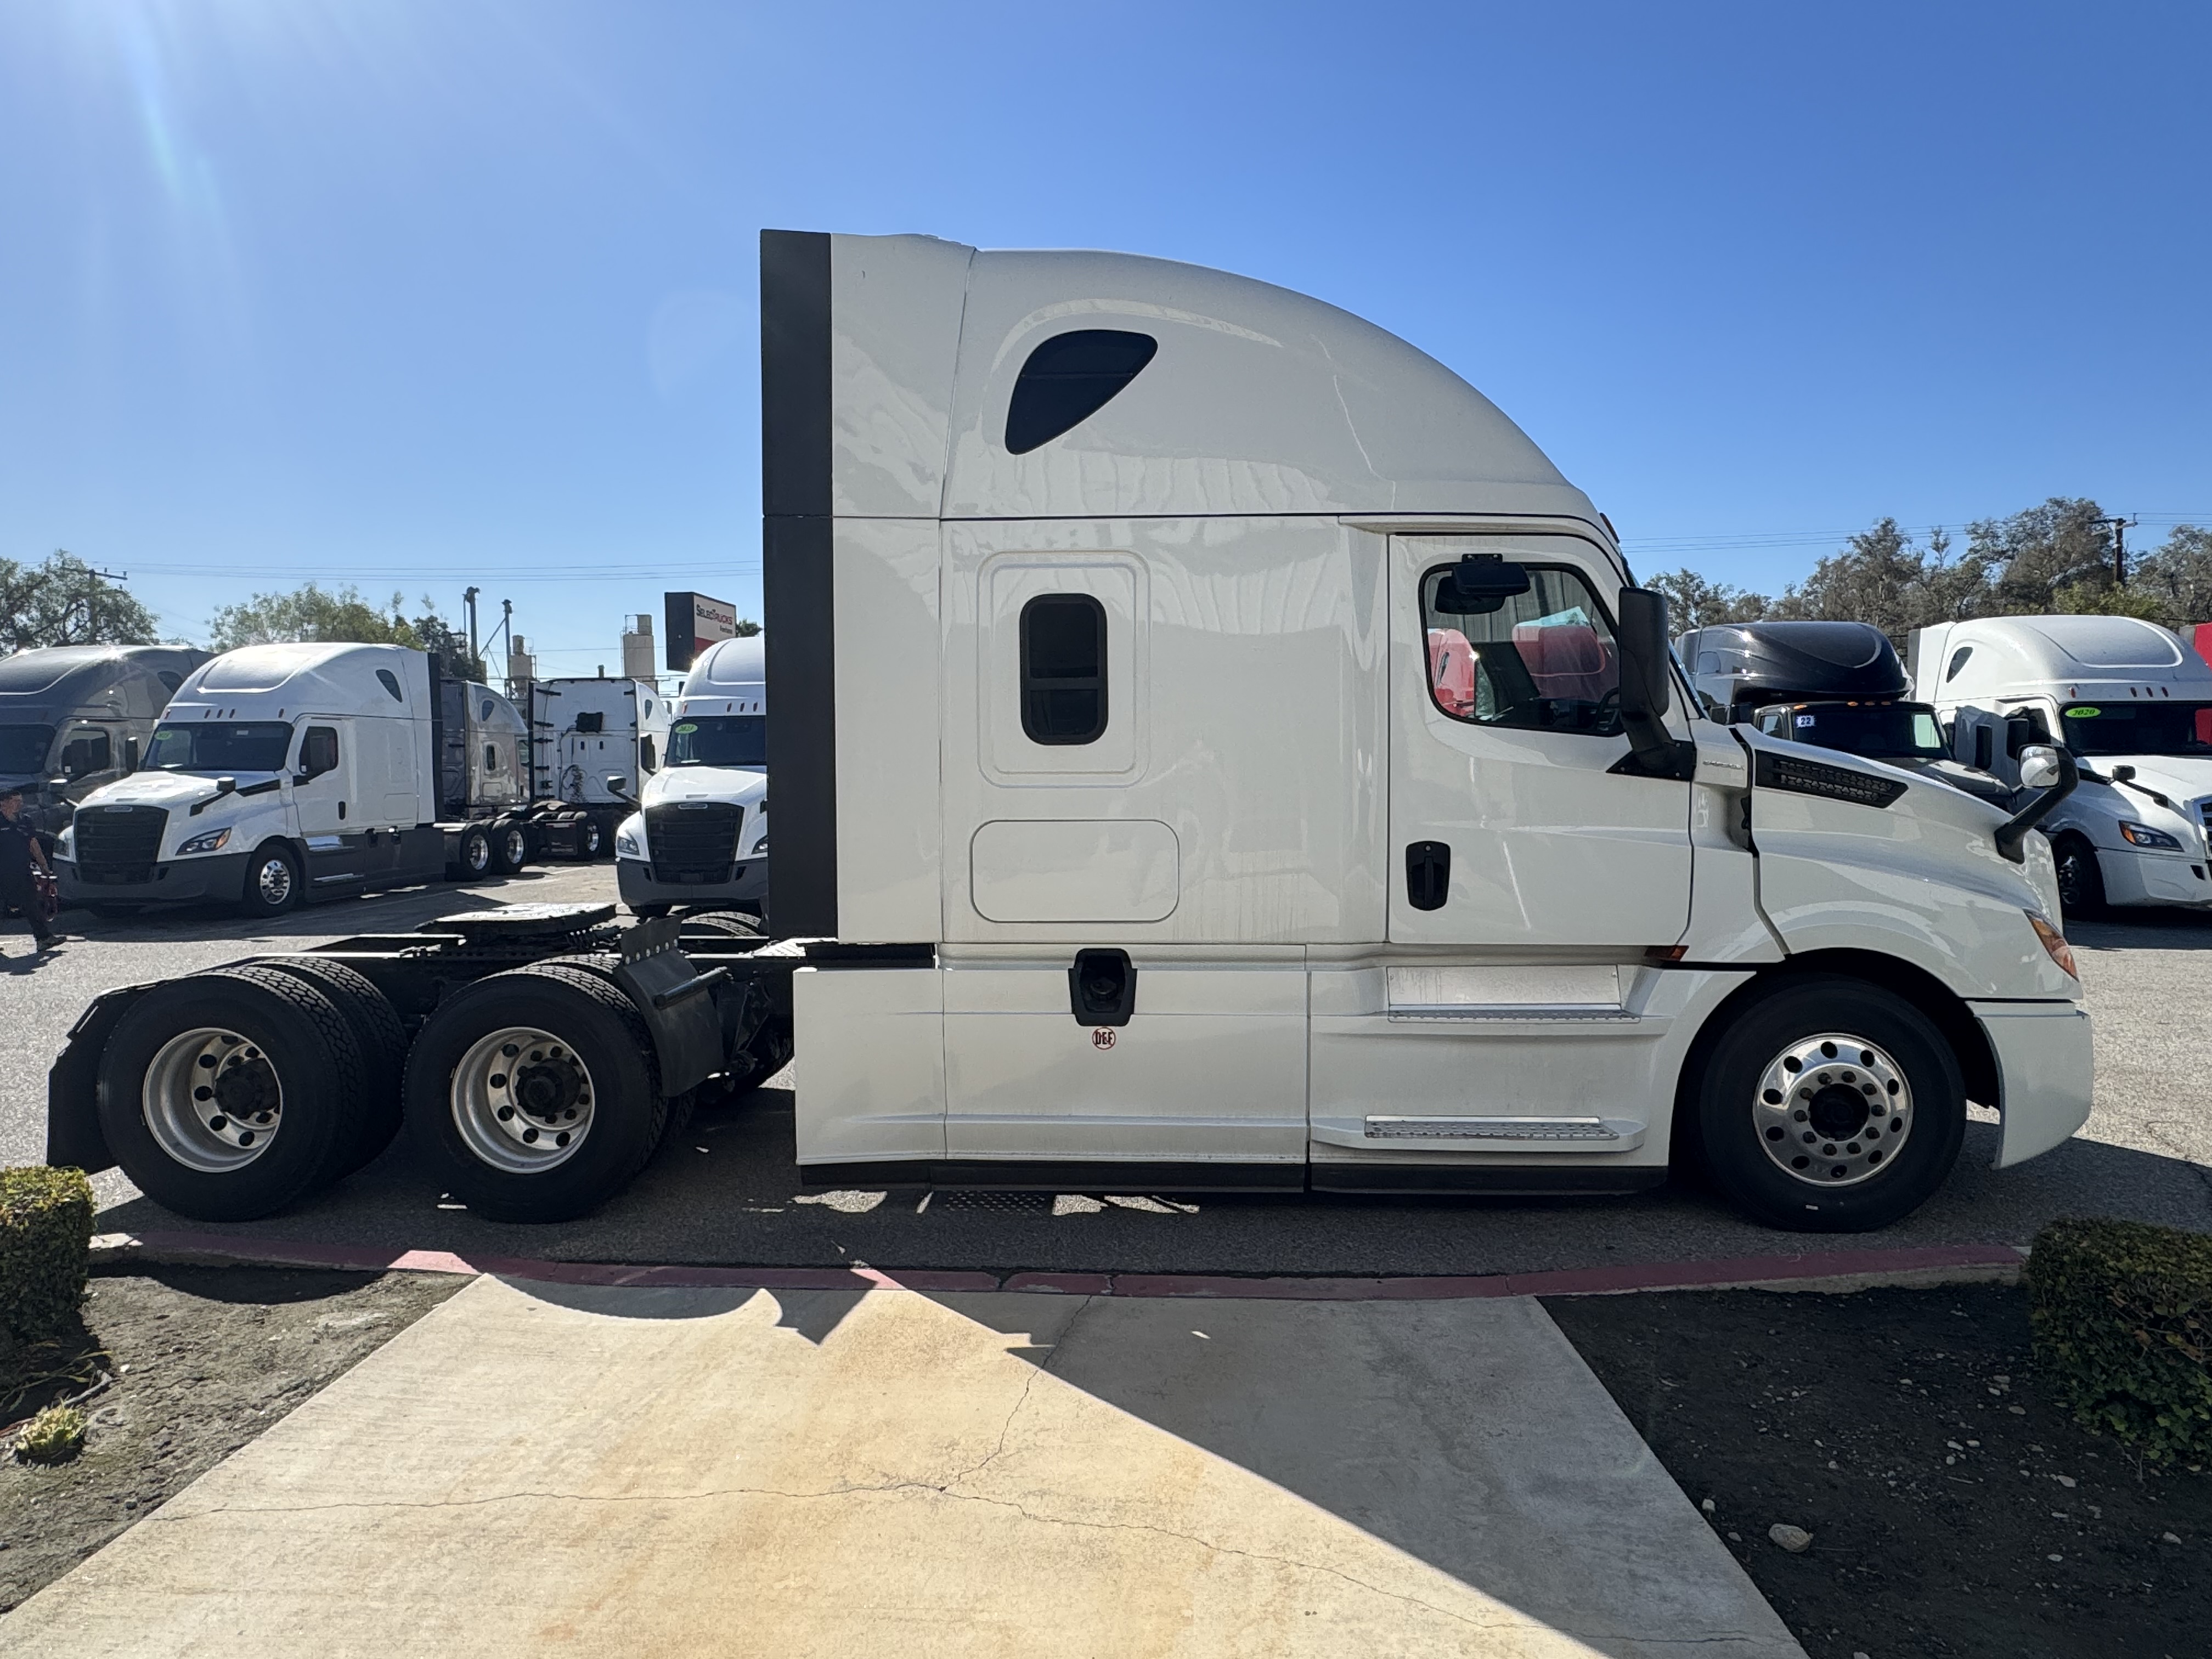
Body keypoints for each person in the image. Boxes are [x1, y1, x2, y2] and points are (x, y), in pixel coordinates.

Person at [0, 786, 61, 952]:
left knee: (32, 904)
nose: (20, 805)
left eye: (21, 801)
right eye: (15, 802)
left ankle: (44, 939)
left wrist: (45, 868)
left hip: (22, 870)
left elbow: (34, 845)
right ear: (3, 803)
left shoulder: (25, 820)